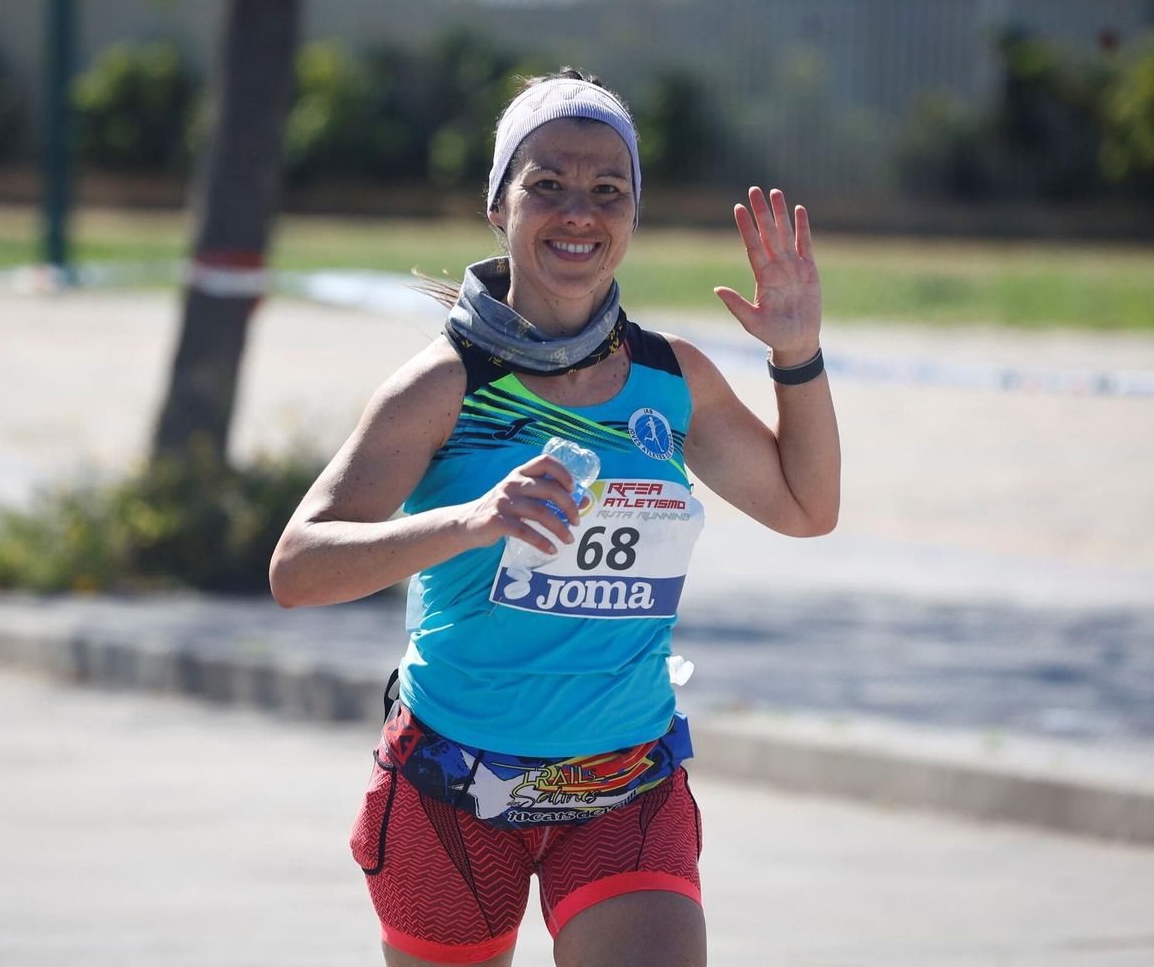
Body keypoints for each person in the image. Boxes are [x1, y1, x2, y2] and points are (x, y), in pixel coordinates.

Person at [270, 68, 840, 967]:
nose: (580, 211)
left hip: (626, 786)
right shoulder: (443, 385)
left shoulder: (672, 378)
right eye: (548, 185)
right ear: (499, 207)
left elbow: (807, 508)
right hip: (451, 788)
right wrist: (471, 520)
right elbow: (298, 568)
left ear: (633, 219)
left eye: (608, 190)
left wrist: (799, 356)